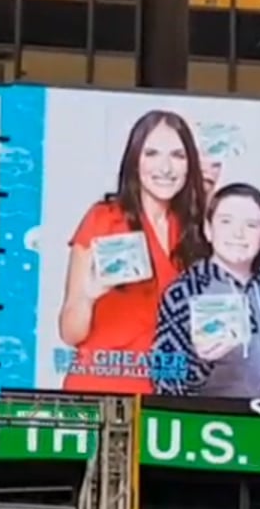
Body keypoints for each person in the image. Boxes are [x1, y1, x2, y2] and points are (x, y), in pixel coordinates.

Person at [57, 109, 208, 394]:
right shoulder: (104, 219)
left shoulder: (196, 230)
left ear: (190, 165)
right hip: (103, 384)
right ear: (134, 161)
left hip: (168, 390)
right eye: (152, 153)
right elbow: (69, 333)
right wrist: (87, 297)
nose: (165, 168)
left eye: (177, 155)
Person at [150, 182, 260, 398]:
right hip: (206, 422)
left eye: (251, 225)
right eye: (226, 222)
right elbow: (163, 379)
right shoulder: (185, 291)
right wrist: (200, 363)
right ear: (208, 230)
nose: (238, 234)